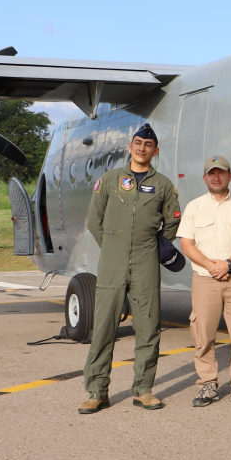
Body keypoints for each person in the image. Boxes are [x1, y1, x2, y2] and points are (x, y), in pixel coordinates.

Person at [79, 123, 181, 414]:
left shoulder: (163, 185)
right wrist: (113, 245)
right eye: (137, 142)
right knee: (103, 326)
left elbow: (173, 221)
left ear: (155, 150)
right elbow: (93, 221)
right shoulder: (110, 180)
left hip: (147, 259)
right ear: (129, 146)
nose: (141, 148)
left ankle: (144, 390)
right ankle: (97, 391)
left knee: (148, 326)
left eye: (148, 145)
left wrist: (153, 245)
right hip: (113, 259)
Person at [178, 155, 231, 407]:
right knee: (203, 333)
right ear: (204, 178)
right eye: (211, 173)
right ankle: (207, 385)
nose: (216, 177)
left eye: (221, 172)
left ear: (230, 176)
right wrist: (211, 266)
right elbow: (186, 244)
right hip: (205, 279)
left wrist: (228, 264)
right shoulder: (194, 207)